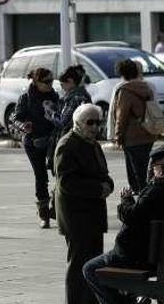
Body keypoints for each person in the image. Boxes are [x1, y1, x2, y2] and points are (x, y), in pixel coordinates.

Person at [82, 144, 164, 304]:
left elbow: (131, 216)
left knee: (90, 269)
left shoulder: (155, 192)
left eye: (154, 169)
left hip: (139, 258)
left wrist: (125, 200)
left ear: (159, 169)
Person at [54, 104, 113, 304]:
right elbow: (67, 182)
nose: (95, 127)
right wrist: (98, 189)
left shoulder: (93, 143)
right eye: (90, 122)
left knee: (93, 260)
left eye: (98, 122)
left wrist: (108, 185)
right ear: (78, 123)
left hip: (93, 213)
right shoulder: (67, 144)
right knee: (79, 262)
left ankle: (90, 300)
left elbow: (103, 173)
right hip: (76, 215)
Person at [10, 67, 59, 228]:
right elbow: (15, 118)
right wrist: (24, 126)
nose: (50, 84)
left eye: (52, 80)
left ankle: (56, 208)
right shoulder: (26, 97)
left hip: (53, 140)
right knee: (41, 176)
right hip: (33, 142)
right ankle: (44, 213)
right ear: (36, 82)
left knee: (61, 173)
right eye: (46, 82)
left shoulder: (54, 95)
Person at [110, 59, 158, 194]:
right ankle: (147, 192)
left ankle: (143, 198)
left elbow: (121, 116)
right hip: (148, 133)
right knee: (146, 167)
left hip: (132, 137)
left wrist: (118, 136)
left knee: (136, 172)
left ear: (121, 73)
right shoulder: (146, 87)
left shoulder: (125, 91)